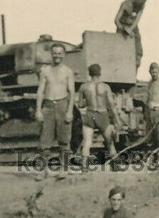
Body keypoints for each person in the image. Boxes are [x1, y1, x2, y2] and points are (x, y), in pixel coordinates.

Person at [35, 42, 75, 172]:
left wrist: (70, 111)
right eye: (55, 53)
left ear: (63, 55)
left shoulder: (68, 71)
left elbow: (72, 92)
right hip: (48, 106)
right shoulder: (45, 71)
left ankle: (64, 169)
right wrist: (38, 110)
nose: (57, 56)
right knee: (45, 141)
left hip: (63, 105)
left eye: (59, 53)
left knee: (64, 141)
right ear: (51, 54)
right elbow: (40, 91)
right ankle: (43, 171)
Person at [78, 63, 120, 162]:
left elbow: (80, 104)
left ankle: (84, 165)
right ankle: (115, 164)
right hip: (102, 114)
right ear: (100, 73)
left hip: (90, 114)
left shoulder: (84, 87)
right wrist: (117, 120)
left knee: (87, 142)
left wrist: (87, 101)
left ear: (89, 73)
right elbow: (112, 105)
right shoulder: (105, 87)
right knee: (109, 141)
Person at [114, 0, 148, 69]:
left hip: (132, 27)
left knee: (138, 50)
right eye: (141, 2)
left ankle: (134, 74)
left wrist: (130, 30)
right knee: (120, 49)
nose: (142, 4)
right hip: (122, 26)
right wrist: (122, 29)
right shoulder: (126, 4)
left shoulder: (142, 5)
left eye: (144, 2)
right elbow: (116, 19)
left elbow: (137, 20)